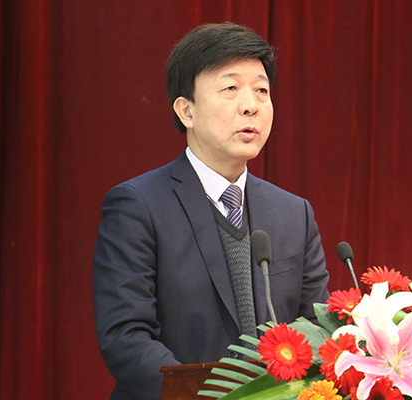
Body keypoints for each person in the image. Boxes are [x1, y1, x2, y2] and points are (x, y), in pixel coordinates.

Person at [93, 22, 330, 400]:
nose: (251, 105)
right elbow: (126, 337)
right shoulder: (138, 206)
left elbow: (318, 331)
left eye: (261, 90)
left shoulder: (294, 214)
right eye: (230, 88)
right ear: (186, 111)